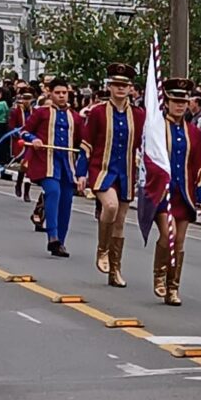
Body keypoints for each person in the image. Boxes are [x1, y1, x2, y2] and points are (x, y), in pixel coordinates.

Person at [82, 64, 146, 287]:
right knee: (110, 206)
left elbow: (142, 144)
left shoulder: (138, 115)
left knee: (120, 221)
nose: (120, 89)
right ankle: (102, 249)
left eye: (125, 85)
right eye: (116, 84)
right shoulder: (98, 112)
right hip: (102, 169)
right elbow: (87, 144)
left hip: (126, 171)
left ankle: (115, 269)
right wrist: (82, 173)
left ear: (131, 88)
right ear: (109, 86)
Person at [154, 78, 201, 304]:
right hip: (161, 193)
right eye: (175, 100)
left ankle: (173, 287)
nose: (180, 105)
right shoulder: (156, 128)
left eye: (183, 101)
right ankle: (159, 274)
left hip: (184, 194)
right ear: (166, 102)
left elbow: (200, 165)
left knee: (179, 242)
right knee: (169, 235)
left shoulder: (194, 133)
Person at [21, 78, 87, 258]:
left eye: (64, 93)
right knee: (53, 192)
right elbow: (24, 132)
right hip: (47, 163)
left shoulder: (76, 117)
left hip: (67, 165)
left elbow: (84, 143)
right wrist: (33, 139)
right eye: (57, 93)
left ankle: (61, 243)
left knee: (67, 201)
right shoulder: (41, 113)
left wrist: (83, 170)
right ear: (50, 93)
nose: (61, 96)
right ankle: (52, 236)